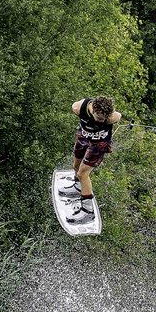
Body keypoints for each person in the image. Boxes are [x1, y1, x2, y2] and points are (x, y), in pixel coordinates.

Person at [60, 96, 120, 225]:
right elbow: (77, 108)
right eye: (99, 118)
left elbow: (118, 116)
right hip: (83, 136)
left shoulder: (112, 117)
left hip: (99, 144)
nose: (101, 121)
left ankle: (88, 211)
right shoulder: (78, 107)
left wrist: (105, 122)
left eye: (104, 119)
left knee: (83, 174)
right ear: (93, 110)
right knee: (76, 165)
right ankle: (77, 187)